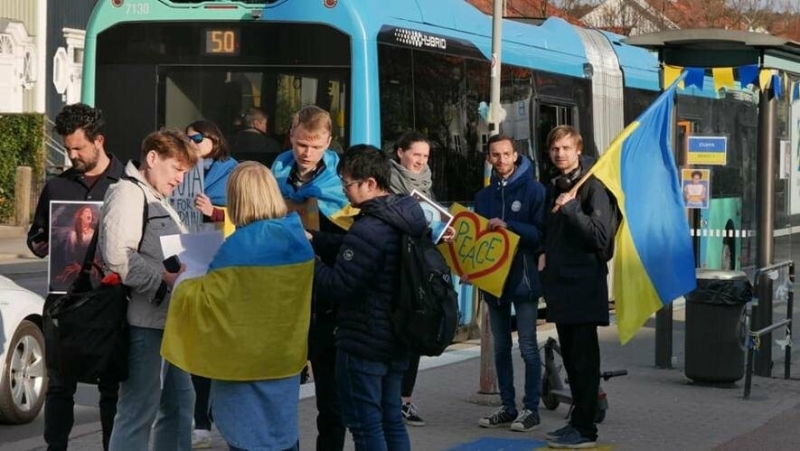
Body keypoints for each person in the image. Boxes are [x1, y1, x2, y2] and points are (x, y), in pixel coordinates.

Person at [162, 162, 312, 451]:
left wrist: (178, 281)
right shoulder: (298, 237)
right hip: (285, 358)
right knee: (282, 436)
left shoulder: (237, 245)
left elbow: (209, 301)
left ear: (237, 199)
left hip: (243, 366)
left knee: (249, 440)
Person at [313, 144, 426, 451]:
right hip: (398, 338)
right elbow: (358, 253)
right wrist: (318, 239)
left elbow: (339, 284)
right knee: (391, 419)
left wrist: (312, 262)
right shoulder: (405, 217)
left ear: (370, 184)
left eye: (347, 184)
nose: (344, 191)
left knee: (365, 427)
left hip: (365, 340)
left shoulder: (370, 226)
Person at [28, 103, 124, 451]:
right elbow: (36, 235)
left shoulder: (125, 183)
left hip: (110, 302)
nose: (72, 155)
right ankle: (56, 447)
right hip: (65, 302)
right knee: (59, 385)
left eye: (79, 148)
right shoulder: (57, 187)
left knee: (111, 386)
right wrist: (42, 241)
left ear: (99, 140)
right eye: (68, 148)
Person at [99, 129, 199, 451]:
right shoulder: (128, 193)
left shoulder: (157, 198)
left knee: (181, 406)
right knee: (138, 411)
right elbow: (117, 256)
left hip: (169, 323)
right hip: (145, 324)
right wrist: (162, 283)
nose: (180, 179)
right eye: (177, 169)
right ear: (153, 158)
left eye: (185, 172)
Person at [272, 105, 357, 451]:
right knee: (277, 390)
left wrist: (316, 238)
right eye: (302, 144)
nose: (307, 154)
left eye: (316, 146)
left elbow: (353, 242)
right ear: (291, 134)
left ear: (329, 143)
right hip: (284, 297)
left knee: (330, 397)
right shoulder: (274, 172)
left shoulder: (341, 183)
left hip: (326, 301)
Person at [541, 125, 616, 449]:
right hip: (561, 286)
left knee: (585, 362)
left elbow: (601, 238)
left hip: (583, 287)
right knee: (571, 359)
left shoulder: (593, 186)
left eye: (566, 148)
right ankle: (576, 421)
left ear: (578, 149)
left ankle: (586, 429)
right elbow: (550, 232)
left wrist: (571, 208)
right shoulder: (554, 185)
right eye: (555, 149)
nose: (560, 154)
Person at [471, 134, 546, 433]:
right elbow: (475, 239)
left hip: (523, 280)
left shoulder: (534, 191)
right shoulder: (483, 196)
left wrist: (510, 226)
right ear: (489, 158)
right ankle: (507, 405)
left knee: (528, 347)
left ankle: (531, 409)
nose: (501, 160)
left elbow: (540, 235)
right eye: (495, 155)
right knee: (500, 347)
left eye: (505, 154)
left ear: (516, 155)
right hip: (493, 282)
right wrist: (469, 268)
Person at [184, 120, 238, 448]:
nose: (191, 142)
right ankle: (199, 420)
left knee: (219, 346)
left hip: (223, 267)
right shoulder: (182, 169)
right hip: (190, 263)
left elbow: (248, 213)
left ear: (214, 139)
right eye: (186, 138)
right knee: (196, 347)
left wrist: (214, 212)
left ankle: (219, 415)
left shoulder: (234, 172)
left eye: (197, 138)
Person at [387, 130, 438, 427]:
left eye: (425, 156)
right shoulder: (387, 183)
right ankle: (391, 398)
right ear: (400, 153)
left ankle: (405, 400)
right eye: (415, 154)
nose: (420, 161)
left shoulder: (426, 186)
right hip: (395, 267)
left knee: (414, 334)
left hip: (418, 269)